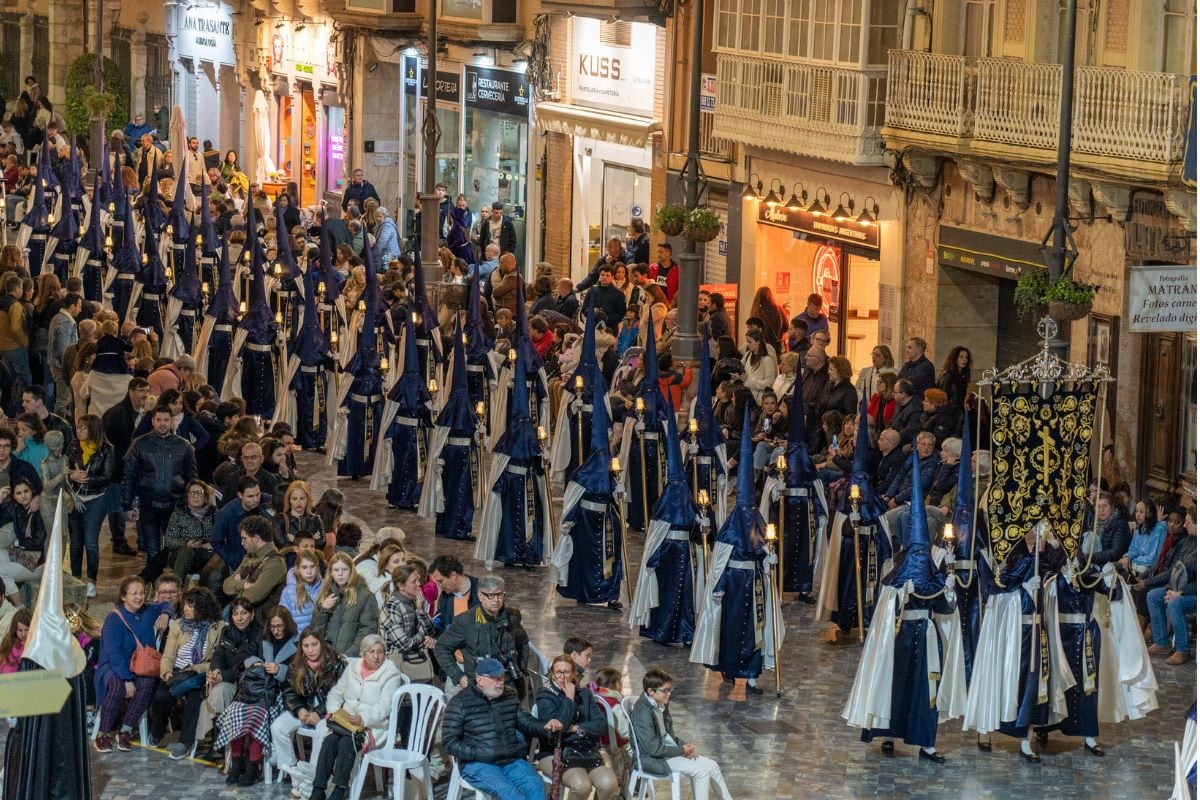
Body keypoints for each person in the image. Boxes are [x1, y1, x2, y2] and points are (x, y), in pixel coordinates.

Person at [442, 656, 561, 800]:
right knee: (511, 795)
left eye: (502, 678)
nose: (500, 683)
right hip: (478, 763)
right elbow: (449, 741)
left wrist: (544, 727)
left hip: (510, 759)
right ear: (479, 680)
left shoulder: (509, 696)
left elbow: (525, 721)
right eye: (495, 678)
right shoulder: (460, 702)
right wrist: (478, 753)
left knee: (535, 786)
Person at [306, 635, 403, 800]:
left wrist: (363, 718)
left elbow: (385, 706)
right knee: (330, 741)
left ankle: (339, 789)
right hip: (345, 722)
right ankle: (318, 788)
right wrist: (334, 712)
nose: (376, 656)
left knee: (346, 742)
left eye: (380, 652)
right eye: (372, 652)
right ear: (363, 653)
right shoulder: (353, 667)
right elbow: (337, 693)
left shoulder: (391, 673)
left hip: (372, 726)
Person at [215, 605, 298, 786]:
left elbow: (299, 674)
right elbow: (242, 655)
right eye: (273, 626)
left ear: (287, 625)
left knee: (257, 716)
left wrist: (280, 670)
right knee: (234, 713)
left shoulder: (296, 643)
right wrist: (256, 663)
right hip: (254, 691)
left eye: (280, 626)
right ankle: (237, 764)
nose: (276, 631)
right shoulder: (262, 638)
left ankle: (253, 765)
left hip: (277, 695)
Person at [630, 668, 733, 800]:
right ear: (651, 691)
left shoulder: (659, 703)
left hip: (665, 751)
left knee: (712, 766)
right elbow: (653, 749)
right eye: (665, 690)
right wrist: (680, 750)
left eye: (670, 690)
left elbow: (666, 735)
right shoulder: (643, 713)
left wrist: (684, 746)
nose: (669, 694)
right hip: (653, 759)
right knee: (701, 772)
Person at [148, 586, 224, 759]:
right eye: (185, 605)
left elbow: (217, 660)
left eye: (191, 606)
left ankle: (185, 742)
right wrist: (167, 672)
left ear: (202, 607)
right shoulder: (177, 625)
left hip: (198, 674)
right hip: (176, 672)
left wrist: (197, 668)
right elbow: (168, 655)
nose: (185, 609)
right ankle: (157, 732)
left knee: (194, 700)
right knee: (161, 696)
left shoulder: (218, 628)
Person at [93, 576, 168, 753]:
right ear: (124, 596)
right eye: (134, 593)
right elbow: (114, 654)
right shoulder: (114, 618)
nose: (139, 597)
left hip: (138, 665)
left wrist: (165, 614)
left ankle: (125, 731)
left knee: (147, 684)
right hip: (112, 667)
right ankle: (102, 734)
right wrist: (127, 679)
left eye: (142, 593)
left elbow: (167, 604)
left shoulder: (148, 610)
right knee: (118, 687)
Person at [532, 655, 620, 800]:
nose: (562, 676)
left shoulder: (584, 694)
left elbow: (601, 725)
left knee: (609, 784)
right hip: (555, 752)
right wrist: (569, 699)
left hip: (586, 750)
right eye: (558, 672)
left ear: (573, 673)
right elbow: (557, 729)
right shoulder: (545, 695)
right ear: (553, 674)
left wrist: (576, 729)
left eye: (566, 672)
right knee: (581, 786)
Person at [122, 404, 197, 570]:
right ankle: (155, 587)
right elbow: (129, 476)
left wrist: (192, 505)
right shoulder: (139, 444)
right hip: (148, 505)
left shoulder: (184, 446)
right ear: (152, 421)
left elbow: (192, 479)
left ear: (172, 422)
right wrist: (127, 505)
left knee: (176, 549)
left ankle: (173, 586)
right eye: (159, 420)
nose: (162, 423)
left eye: (166, 420)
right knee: (153, 550)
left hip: (175, 505)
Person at [272, 626, 346, 782]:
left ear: (322, 644)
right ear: (301, 647)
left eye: (314, 644)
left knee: (322, 730)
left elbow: (339, 694)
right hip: (305, 710)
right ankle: (293, 774)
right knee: (277, 727)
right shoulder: (296, 664)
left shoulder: (336, 663)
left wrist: (318, 713)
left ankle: (313, 778)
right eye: (306, 646)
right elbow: (290, 692)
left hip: (330, 712)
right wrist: (299, 710)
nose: (311, 650)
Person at [196, 596, 261, 762]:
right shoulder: (227, 631)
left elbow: (244, 665)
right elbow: (218, 655)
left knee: (219, 692)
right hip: (226, 680)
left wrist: (222, 676)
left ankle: (218, 744)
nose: (239, 618)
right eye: (235, 613)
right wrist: (216, 671)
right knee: (219, 690)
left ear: (252, 615)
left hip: (246, 685)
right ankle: (219, 745)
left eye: (244, 613)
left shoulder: (258, 635)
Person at [66, 413, 115, 597]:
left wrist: (86, 478)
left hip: (96, 498)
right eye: (78, 427)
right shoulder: (73, 445)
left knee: (91, 542)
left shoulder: (106, 449)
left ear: (93, 429)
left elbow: (107, 476)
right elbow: (65, 466)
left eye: (83, 427)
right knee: (76, 541)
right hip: (75, 498)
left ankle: (91, 580)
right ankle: (76, 578)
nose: (79, 431)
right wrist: (71, 475)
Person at [1145, 508, 1197, 665]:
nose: (1185, 526)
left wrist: (1179, 593)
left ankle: (1183, 650)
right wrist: (1171, 589)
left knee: (1175, 603)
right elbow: (1177, 569)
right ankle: (1162, 643)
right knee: (1153, 595)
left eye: (1188, 522)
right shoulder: (1189, 540)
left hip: (1192, 593)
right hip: (1182, 589)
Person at [311, 551, 379, 656]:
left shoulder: (365, 595)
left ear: (352, 571)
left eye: (344, 569)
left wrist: (350, 654)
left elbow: (368, 630)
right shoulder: (326, 593)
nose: (340, 574)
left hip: (352, 657)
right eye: (336, 570)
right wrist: (322, 610)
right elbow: (316, 631)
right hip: (328, 656)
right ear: (331, 572)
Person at [379, 563, 437, 682]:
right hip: (398, 666)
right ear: (401, 586)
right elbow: (404, 644)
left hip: (417, 660)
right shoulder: (392, 607)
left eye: (418, 580)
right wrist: (422, 636)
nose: (419, 584)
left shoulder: (416, 601)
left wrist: (421, 611)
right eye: (414, 581)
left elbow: (431, 631)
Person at [222, 515, 287, 619]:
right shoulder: (249, 557)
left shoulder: (275, 562)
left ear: (256, 538)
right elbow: (226, 585)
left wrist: (236, 585)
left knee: (228, 611)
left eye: (244, 539)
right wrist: (244, 585)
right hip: (242, 612)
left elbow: (253, 595)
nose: (242, 543)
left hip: (259, 618)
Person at [164, 480, 217, 580]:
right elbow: (168, 541)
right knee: (187, 552)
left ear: (205, 497)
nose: (195, 496)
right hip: (181, 555)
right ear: (187, 496)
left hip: (206, 553)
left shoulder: (215, 513)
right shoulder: (178, 515)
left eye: (199, 493)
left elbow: (223, 537)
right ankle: (176, 587)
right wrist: (186, 543)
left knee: (220, 554)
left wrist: (213, 543)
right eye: (192, 493)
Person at [429, 555, 479, 635]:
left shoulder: (481, 591)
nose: (439, 586)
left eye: (441, 581)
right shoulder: (445, 596)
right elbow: (441, 621)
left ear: (453, 575)